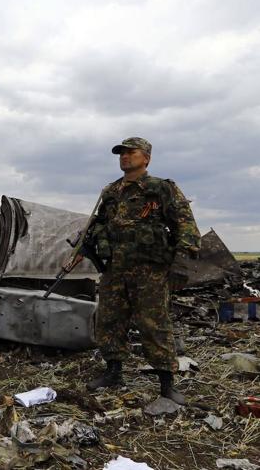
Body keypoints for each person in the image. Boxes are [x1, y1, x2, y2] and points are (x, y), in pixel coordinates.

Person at [85, 137, 200, 404]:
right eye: (121, 153)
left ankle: (166, 384)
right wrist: (99, 239)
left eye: (131, 153)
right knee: (109, 321)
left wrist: (181, 265)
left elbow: (186, 226)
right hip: (116, 269)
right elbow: (100, 223)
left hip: (150, 270)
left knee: (154, 324)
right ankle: (113, 371)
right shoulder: (111, 191)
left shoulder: (161, 189)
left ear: (146, 158)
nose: (124, 157)